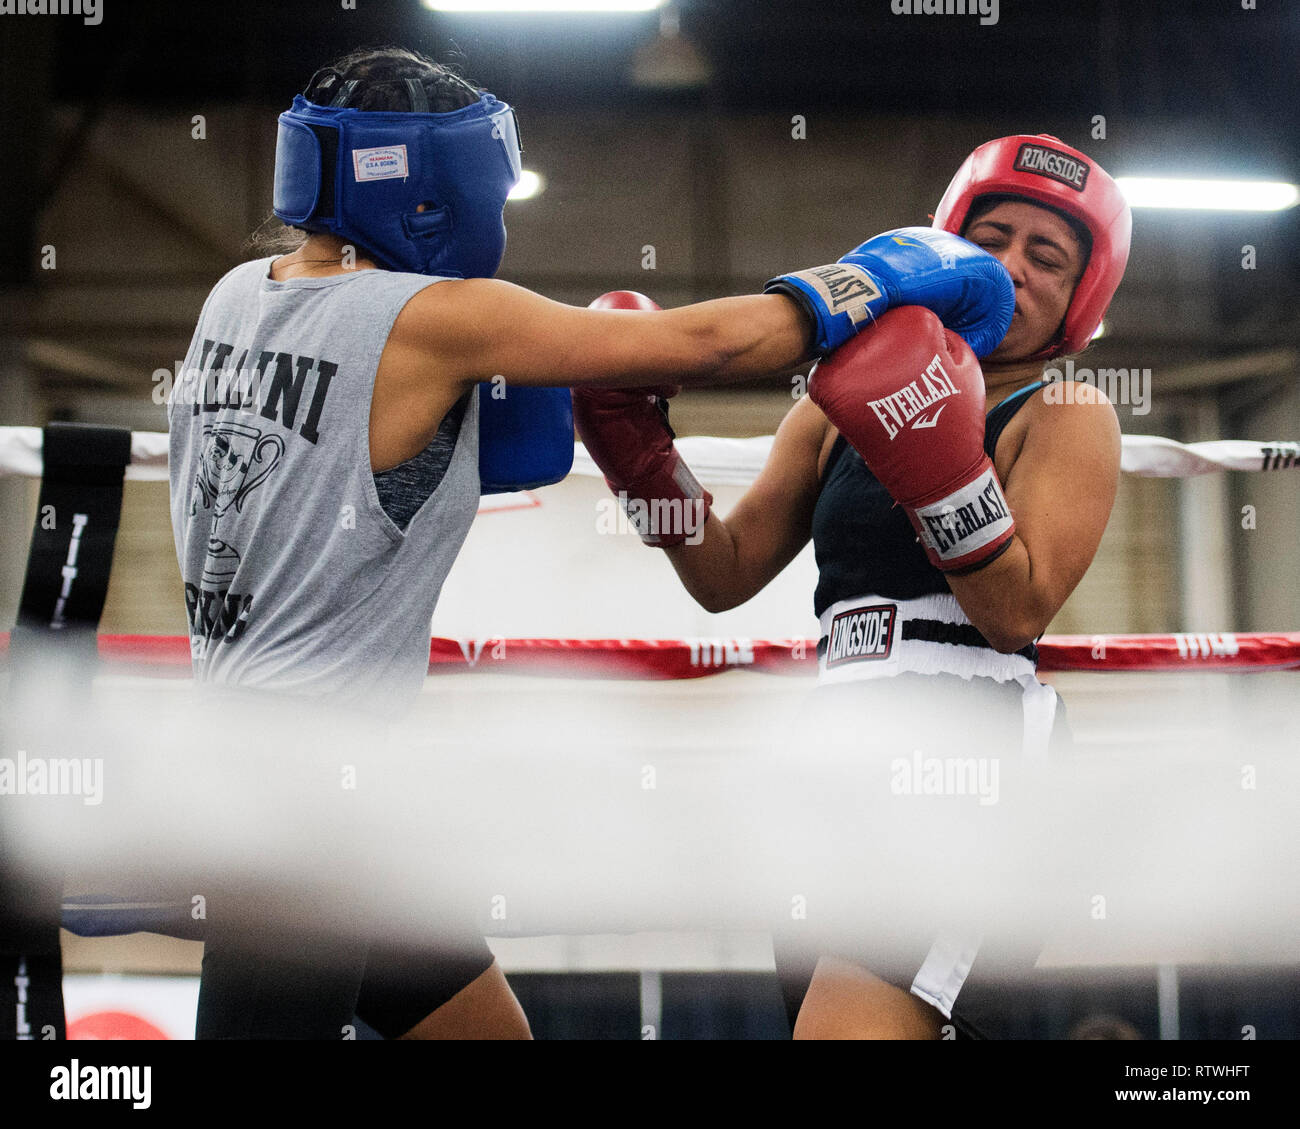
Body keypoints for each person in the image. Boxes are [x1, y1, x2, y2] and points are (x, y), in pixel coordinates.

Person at [166, 46, 1014, 1039]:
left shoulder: (234, 298)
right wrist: (881, 278)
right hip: (299, 804)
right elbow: (714, 344)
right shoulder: (437, 318)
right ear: (430, 195)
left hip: (270, 769)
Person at [574, 134, 1132, 1039]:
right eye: (991, 238)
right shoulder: (833, 403)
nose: (1012, 267)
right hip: (837, 737)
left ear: (1080, 297)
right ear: (947, 249)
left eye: (1047, 256)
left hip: (970, 738)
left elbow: (1014, 612)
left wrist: (940, 460)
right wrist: (642, 461)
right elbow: (723, 573)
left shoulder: (1067, 411)